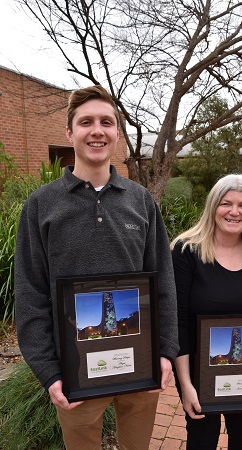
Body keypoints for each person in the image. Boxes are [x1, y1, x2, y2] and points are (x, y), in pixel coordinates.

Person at [14, 85, 179, 450]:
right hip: (75, 375)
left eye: (107, 122)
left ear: (117, 133)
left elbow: (163, 282)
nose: (97, 130)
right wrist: (48, 371)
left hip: (140, 367)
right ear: (70, 132)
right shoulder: (42, 206)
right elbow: (30, 293)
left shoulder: (141, 202)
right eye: (86, 122)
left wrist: (165, 350)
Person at [170, 174, 242, 450]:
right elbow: (179, 321)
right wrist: (186, 384)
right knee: (201, 440)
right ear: (213, 206)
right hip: (198, 375)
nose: (234, 212)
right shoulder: (186, 251)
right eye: (226, 203)